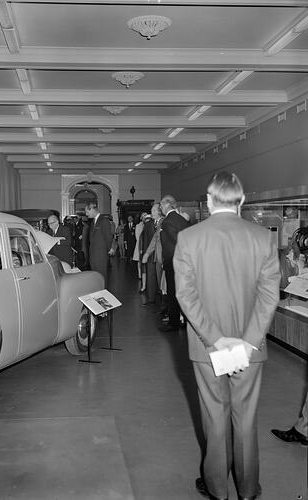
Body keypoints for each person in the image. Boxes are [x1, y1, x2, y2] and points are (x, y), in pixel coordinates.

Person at [173, 171, 280, 500]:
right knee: (245, 420)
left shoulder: (189, 238)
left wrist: (217, 340)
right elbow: (268, 296)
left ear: (208, 201)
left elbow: (185, 296)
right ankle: (248, 491)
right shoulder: (263, 238)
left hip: (207, 350)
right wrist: (246, 342)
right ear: (242, 200)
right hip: (251, 349)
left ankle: (218, 490)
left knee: (215, 419)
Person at [159, 194, 189, 332]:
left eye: (161, 205)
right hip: (183, 261)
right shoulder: (181, 219)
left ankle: (174, 322)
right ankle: (185, 320)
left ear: (168, 205)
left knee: (172, 292)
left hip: (173, 261)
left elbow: (178, 241)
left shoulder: (167, 221)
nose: (160, 207)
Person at [84, 201, 113, 286]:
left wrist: (107, 250)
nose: (86, 214)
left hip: (101, 256)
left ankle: (103, 296)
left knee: (102, 278)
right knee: (96, 278)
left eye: (87, 211)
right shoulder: (93, 222)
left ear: (92, 209)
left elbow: (108, 237)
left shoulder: (104, 221)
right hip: (93, 256)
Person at [140, 211, 156, 304]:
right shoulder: (149, 225)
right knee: (149, 274)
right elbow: (145, 240)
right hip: (150, 253)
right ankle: (151, 296)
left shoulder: (149, 225)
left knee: (150, 275)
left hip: (152, 253)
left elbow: (145, 240)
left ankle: (152, 296)